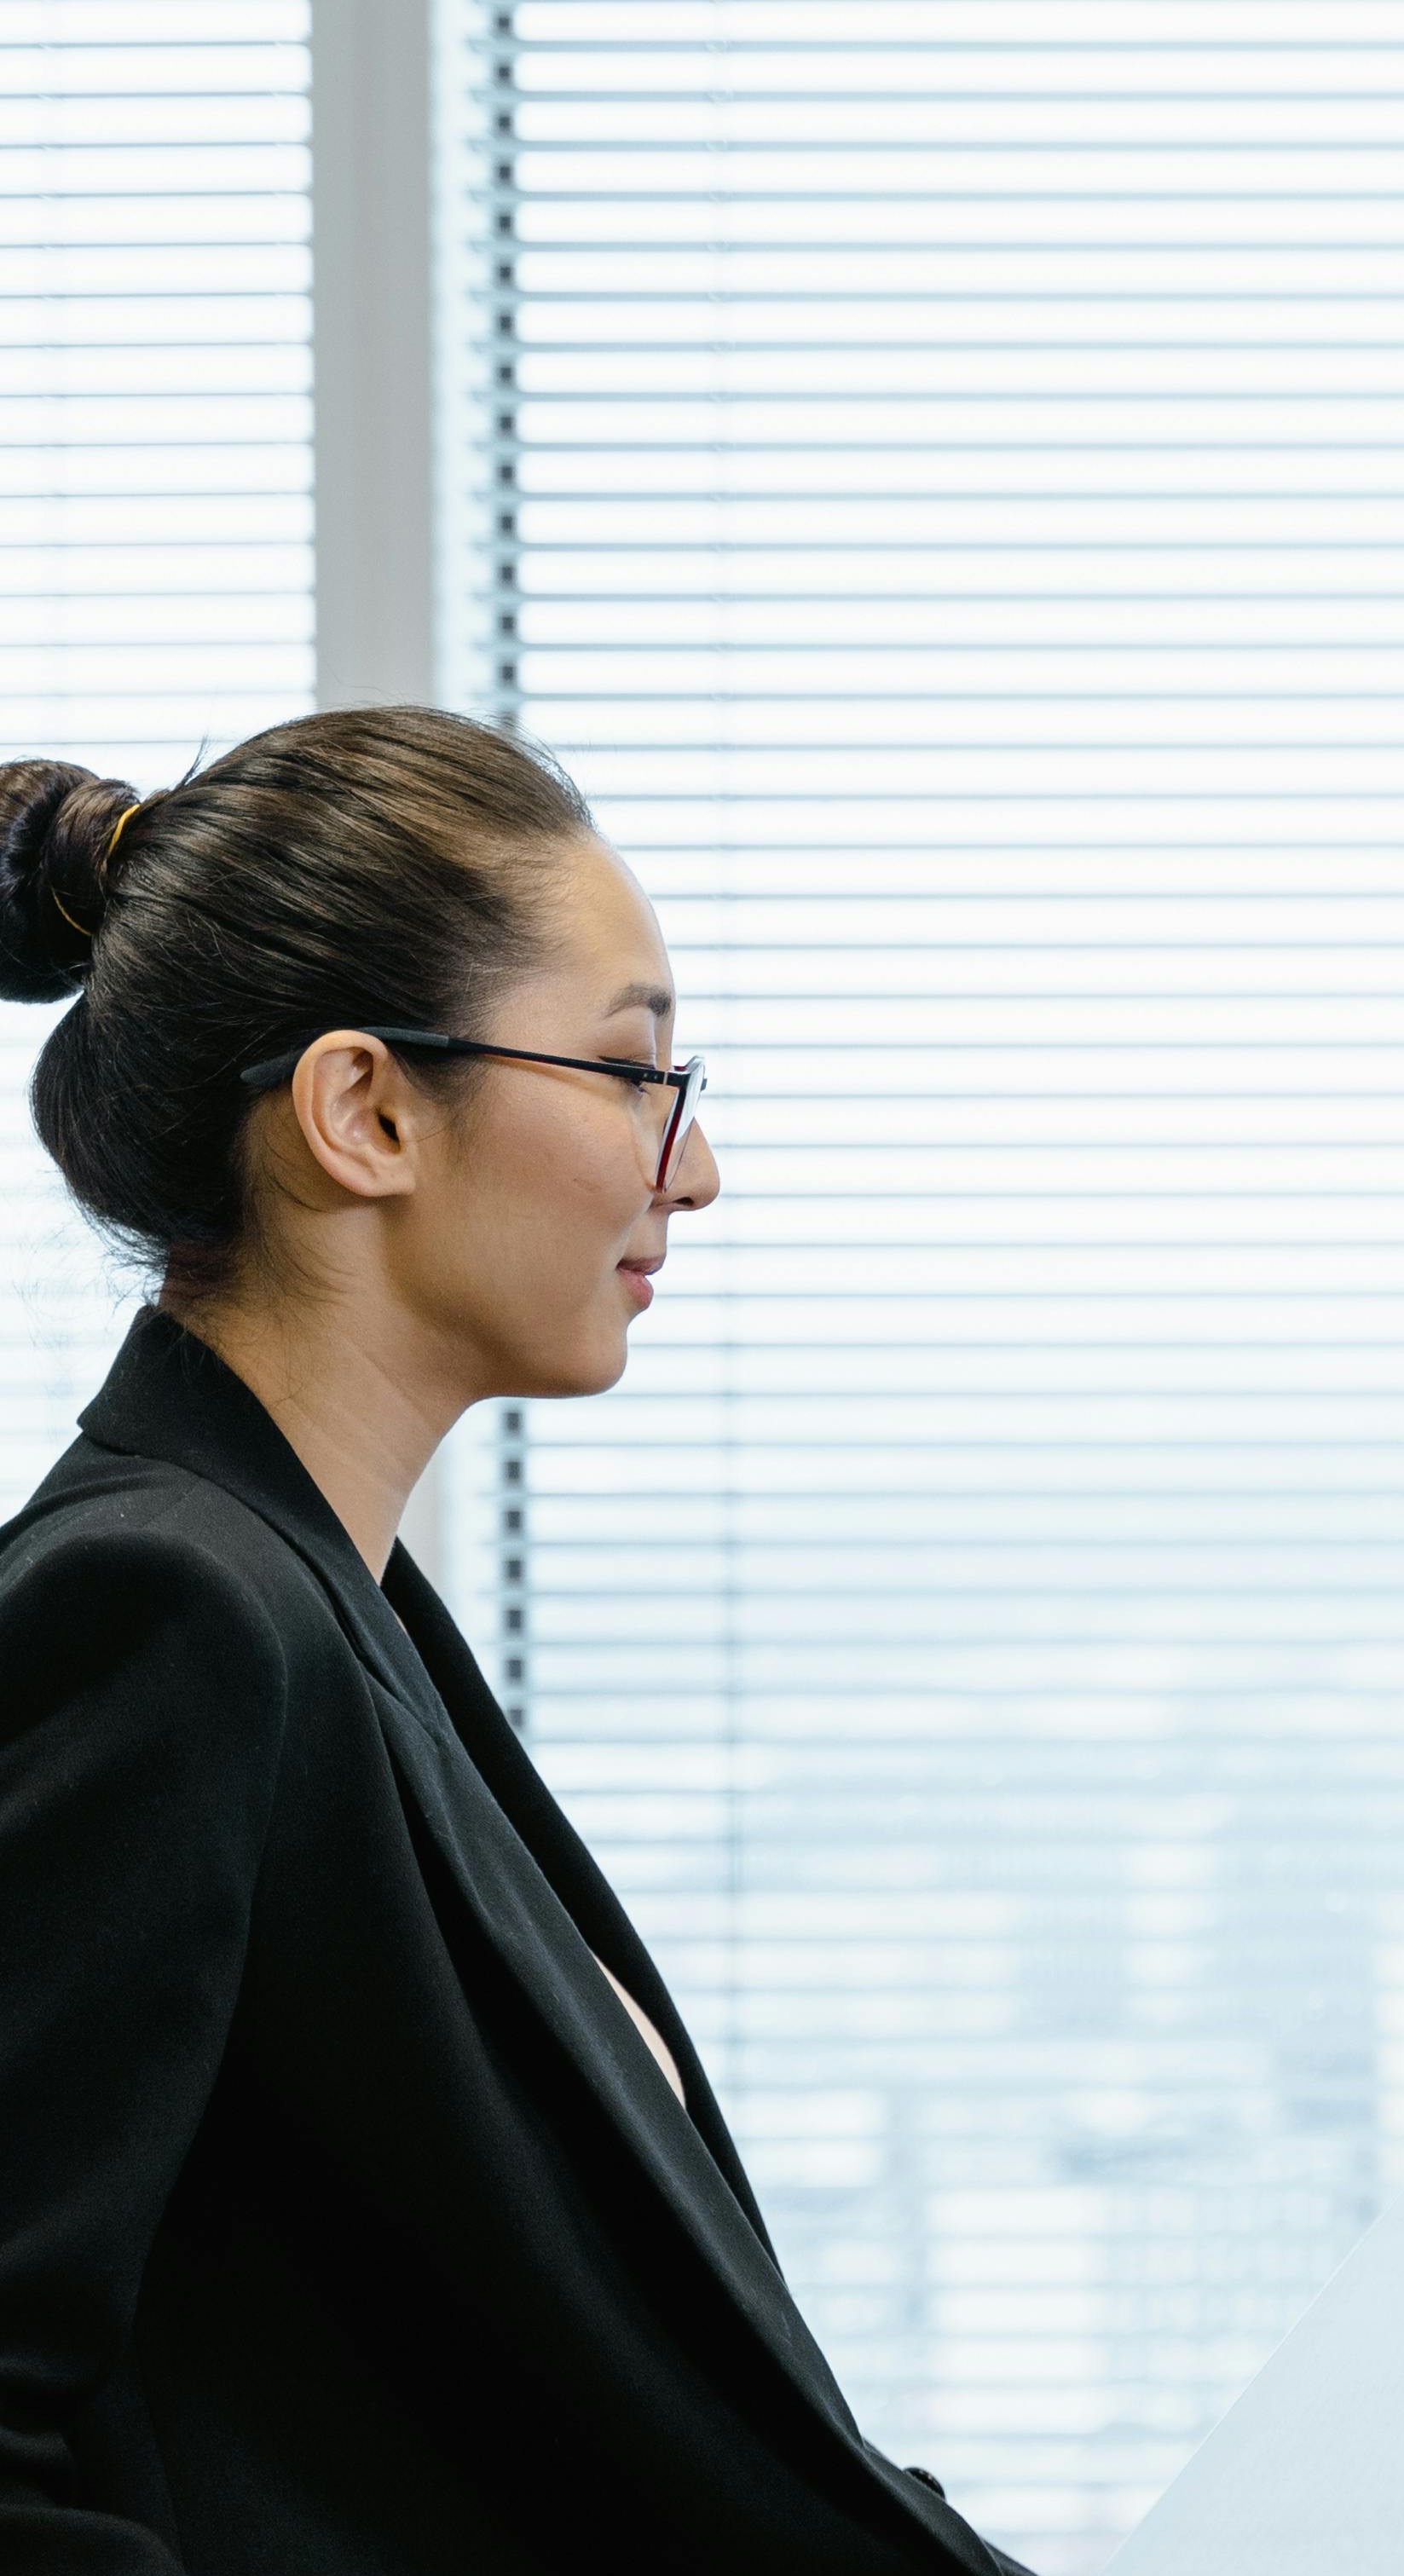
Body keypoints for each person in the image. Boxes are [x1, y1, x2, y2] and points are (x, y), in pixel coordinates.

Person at [0, 712, 1019, 2572]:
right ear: (365, 1111)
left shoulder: (335, 1603)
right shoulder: (165, 1607)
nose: (691, 1169)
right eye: (636, 1072)